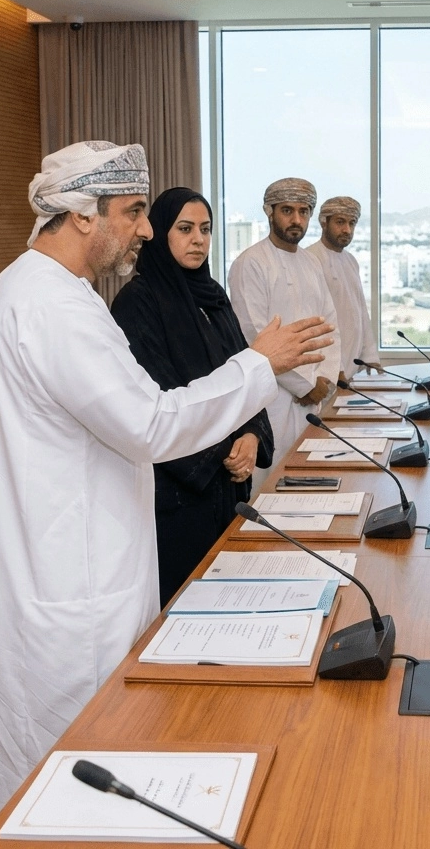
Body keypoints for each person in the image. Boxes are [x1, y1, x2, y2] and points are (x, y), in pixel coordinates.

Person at [0, 141, 333, 847]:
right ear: (81, 214)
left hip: (57, 566)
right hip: (66, 589)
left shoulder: (35, 289)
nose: (146, 229)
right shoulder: (53, 307)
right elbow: (152, 423)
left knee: (60, 784)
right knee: (68, 787)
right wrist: (258, 365)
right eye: (132, 212)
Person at [111, 188, 275, 606]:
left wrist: (252, 436)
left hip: (228, 487)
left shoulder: (213, 296)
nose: (198, 240)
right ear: (159, 233)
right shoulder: (137, 302)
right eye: (185, 229)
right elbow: (157, 397)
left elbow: (245, 368)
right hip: (178, 492)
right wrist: (224, 449)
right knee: (183, 605)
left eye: (205, 229)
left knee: (229, 598)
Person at [229, 178, 342, 463]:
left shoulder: (311, 262)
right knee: (271, 478)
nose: (296, 220)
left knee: (310, 473)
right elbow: (254, 335)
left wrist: (324, 379)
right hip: (271, 398)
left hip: (314, 398)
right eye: (287, 210)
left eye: (303, 211)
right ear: (269, 211)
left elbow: (329, 325)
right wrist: (305, 385)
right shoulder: (251, 262)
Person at [305, 195, 381, 380]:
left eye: (352, 223)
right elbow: (312, 322)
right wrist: (333, 370)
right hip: (324, 370)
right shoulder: (309, 259)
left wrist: (370, 357)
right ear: (324, 222)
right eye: (340, 222)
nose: (347, 229)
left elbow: (361, 312)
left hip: (351, 368)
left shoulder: (351, 261)